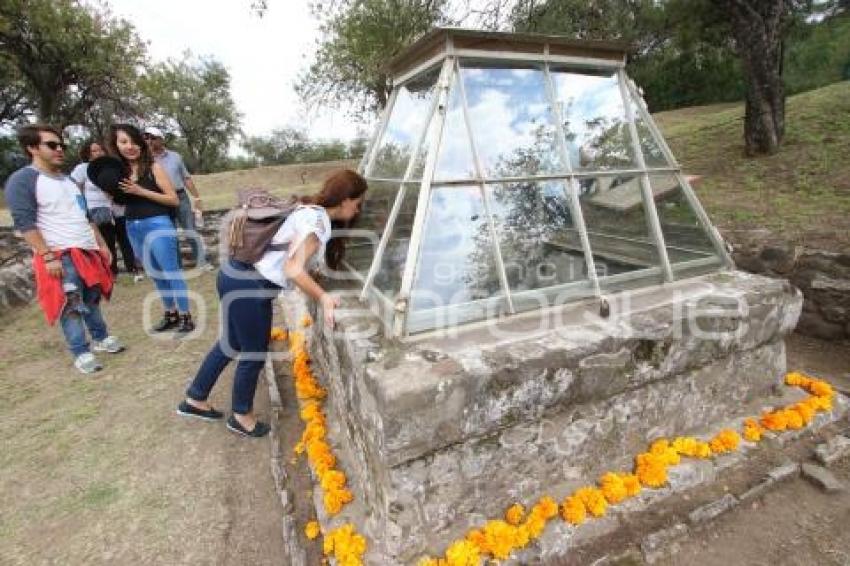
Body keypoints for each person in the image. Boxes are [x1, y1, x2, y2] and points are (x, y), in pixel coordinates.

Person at [177, 169, 368, 438]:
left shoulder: (307, 208)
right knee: (253, 352)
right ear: (347, 199)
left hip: (233, 275)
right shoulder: (318, 223)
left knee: (230, 343)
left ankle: (195, 398)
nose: (359, 209)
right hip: (250, 288)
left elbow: (286, 256)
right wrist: (324, 298)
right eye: (359, 203)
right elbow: (293, 268)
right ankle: (242, 416)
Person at [6, 124, 124, 374]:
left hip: (87, 252)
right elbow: (25, 223)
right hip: (60, 255)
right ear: (32, 148)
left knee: (92, 299)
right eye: (52, 145)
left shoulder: (68, 179)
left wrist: (101, 245)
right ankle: (81, 351)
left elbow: (85, 215)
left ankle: (101, 337)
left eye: (61, 145)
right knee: (70, 306)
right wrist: (48, 256)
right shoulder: (23, 180)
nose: (59, 149)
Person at [109, 123, 195, 333]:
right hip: (133, 226)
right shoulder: (119, 172)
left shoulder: (154, 167)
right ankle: (171, 314)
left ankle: (186, 316)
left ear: (141, 143)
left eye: (133, 141)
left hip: (158, 223)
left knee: (171, 272)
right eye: (123, 142)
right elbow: (119, 201)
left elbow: (173, 199)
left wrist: (140, 191)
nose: (130, 146)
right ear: (116, 145)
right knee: (155, 274)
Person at [143, 127, 208, 268]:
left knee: (190, 229)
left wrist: (197, 197)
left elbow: (186, 178)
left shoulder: (175, 156)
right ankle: (176, 266)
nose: (149, 141)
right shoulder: (144, 160)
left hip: (180, 196)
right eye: (146, 138)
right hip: (161, 200)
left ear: (161, 139)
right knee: (169, 234)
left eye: (153, 138)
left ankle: (202, 262)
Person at [70, 140, 120, 275]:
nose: (98, 153)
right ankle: (99, 269)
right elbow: (76, 189)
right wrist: (81, 208)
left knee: (110, 240)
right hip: (92, 208)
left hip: (108, 208)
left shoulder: (108, 168)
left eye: (100, 150)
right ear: (88, 153)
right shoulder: (82, 168)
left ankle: (112, 270)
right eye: (94, 150)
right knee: (96, 240)